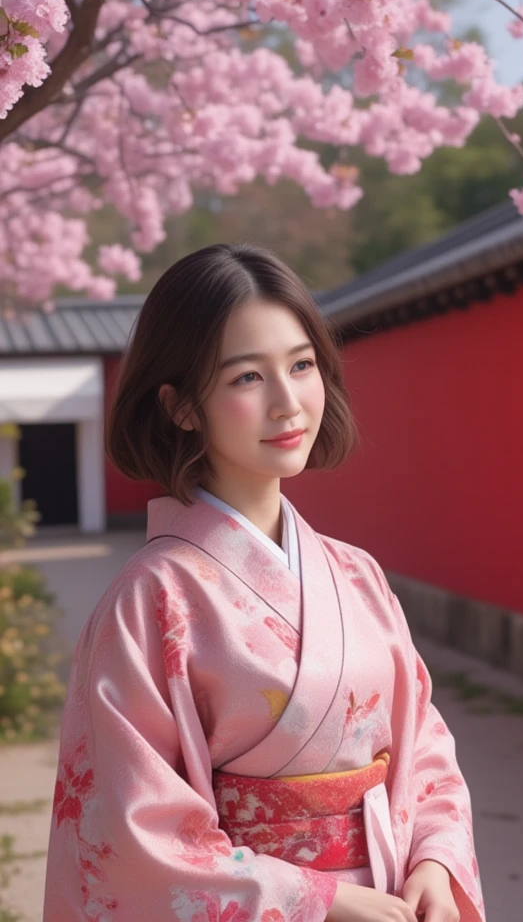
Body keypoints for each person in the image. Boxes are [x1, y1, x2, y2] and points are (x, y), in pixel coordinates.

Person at [43, 244, 485, 922]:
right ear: (182, 406)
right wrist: (320, 900)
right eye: (247, 378)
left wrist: (434, 857)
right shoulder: (151, 599)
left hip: (394, 899)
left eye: (302, 365)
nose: (288, 403)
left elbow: (423, 749)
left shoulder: (355, 573)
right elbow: (134, 834)